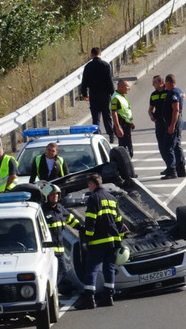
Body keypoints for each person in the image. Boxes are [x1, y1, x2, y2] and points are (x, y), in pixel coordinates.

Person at [77, 173, 125, 309]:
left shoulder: (93, 198)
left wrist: (87, 237)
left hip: (98, 241)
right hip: (113, 241)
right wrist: (120, 239)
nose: (89, 188)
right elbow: (119, 221)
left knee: (91, 269)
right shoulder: (112, 198)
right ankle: (108, 297)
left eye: (89, 185)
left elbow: (91, 220)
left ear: (92, 184)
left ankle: (89, 299)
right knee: (109, 268)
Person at [42, 183, 83, 295]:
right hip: (47, 251)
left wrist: (81, 227)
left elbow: (70, 219)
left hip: (59, 250)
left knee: (61, 272)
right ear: (46, 197)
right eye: (52, 195)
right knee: (60, 272)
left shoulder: (60, 209)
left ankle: (51, 293)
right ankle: (50, 293)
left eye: (56, 194)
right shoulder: (42, 212)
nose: (55, 196)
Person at [79, 47, 116, 141]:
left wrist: (84, 94)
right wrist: (113, 93)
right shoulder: (106, 65)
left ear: (91, 54)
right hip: (104, 94)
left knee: (95, 117)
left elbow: (84, 82)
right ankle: (111, 135)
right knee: (107, 116)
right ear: (100, 54)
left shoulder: (88, 66)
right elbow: (109, 81)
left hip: (93, 94)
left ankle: (97, 135)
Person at [159, 74, 186, 180]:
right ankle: (181, 169)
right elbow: (183, 96)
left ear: (168, 82)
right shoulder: (179, 91)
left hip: (174, 121)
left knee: (168, 146)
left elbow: (176, 109)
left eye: (165, 82)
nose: (164, 84)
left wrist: (172, 125)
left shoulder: (173, 93)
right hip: (177, 120)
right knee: (177, 145)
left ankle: (172, 170)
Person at [148, 75, 172, 175]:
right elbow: (150, 109)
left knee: (169, 145)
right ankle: (168, 165)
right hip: (159, 122)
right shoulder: (153, 94)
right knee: (161, 145)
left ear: (161, 82)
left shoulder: (169, 92)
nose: (153, 84)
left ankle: (172, 167)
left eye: (155, 82)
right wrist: (151, 115)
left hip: (168, 121)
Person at [110, 78, 135, 157]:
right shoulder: (115, 98)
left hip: (126, 125)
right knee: (125, 151)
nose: (129, 88)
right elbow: (114, 113)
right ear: (121, 87)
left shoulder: (121, 96)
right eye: (127, 86)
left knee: (128, 149)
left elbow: (124, 112)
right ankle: (124, 167)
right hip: (122, 126)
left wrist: (130, 122)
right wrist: (118, 128)